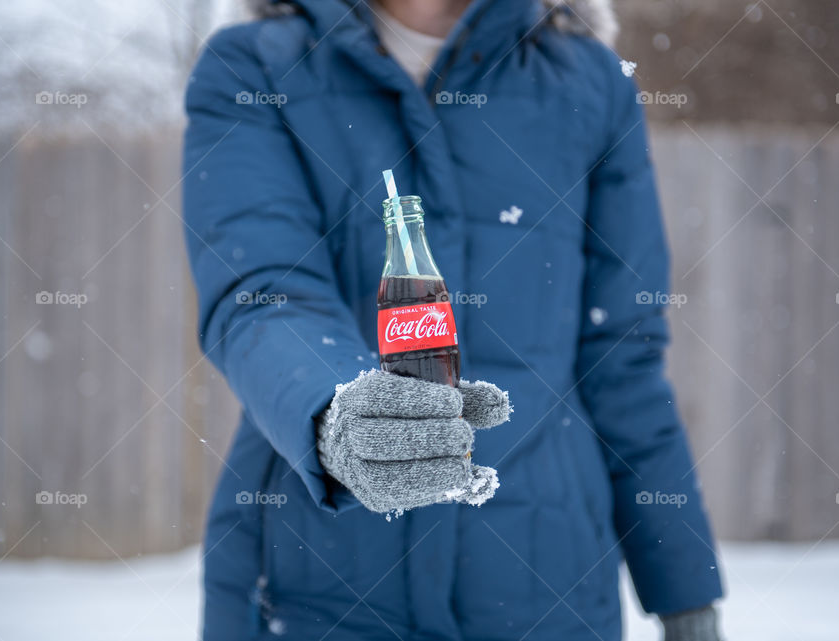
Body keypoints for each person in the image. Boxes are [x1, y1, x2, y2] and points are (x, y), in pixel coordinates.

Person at [182, 0, 725, 639]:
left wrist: (683, 587)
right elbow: (262, 293)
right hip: (311, 590)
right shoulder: (255, 65)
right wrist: (337, 411)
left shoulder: (588, 81)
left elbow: (622, 354)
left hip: (548, 593)